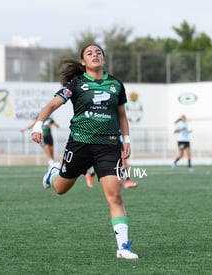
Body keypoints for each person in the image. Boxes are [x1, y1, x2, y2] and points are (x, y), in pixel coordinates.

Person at [31, 44, 138, 259]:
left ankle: (123, 247)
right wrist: (37, 125)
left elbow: (122, 116)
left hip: (108, 147)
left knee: (115, 196)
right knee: (61, 189)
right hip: (79, 144)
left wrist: (126, 140)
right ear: (83, 62)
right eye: (89, 53)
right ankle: (54, 174)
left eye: (98, 52)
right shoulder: (77, 83)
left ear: (104, 59)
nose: (95, 55)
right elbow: (52, 105)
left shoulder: (116, 85)